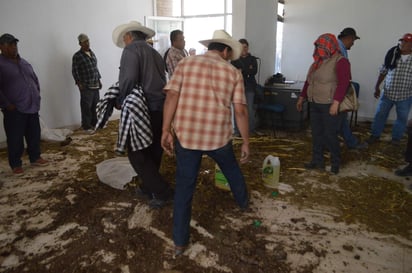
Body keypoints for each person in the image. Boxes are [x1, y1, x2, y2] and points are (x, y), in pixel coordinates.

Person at [161, 30, 250, 256]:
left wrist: (165, 130)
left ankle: (180, 243)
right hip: (217, 137)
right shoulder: (233, 72)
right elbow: (239, 110)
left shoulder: (186, 63)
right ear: (226, 50)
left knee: (184, 187)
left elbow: (171, 96)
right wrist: (247, 141)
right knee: (231, 170)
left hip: (187, 136)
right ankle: (243, 203)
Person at [112, 21, 173, 208]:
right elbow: (163, 78)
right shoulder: (154, 52)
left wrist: (121, 98)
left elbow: (129, 78)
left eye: (124, 38)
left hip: (142, 108)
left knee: (136, 153)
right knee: (153, 148)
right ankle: (148, 186)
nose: (124, 41)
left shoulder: (131, 51)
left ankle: (163, 192)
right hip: (159, 107)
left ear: (129, 36)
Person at [296, 33, 351, 175]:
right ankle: (317, 161)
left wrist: (336, 103)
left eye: (322, 46)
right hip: (314, 103)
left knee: (330, 135)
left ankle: (335, 163)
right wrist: (302, 98)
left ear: (331, 46)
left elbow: (343, 84)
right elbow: (309, 81)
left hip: (329, 104)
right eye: (318, 46)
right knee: (316, 134)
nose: (320, 48)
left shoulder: (340, 61)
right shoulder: (317, 62)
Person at [0, 33, 48, 174]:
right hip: (14, 109)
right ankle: (16, 164)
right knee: (15, 137)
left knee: (34, 133)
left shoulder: (24, 62)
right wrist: (7, 104)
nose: (14, 47)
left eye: (15, 44)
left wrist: (37, 95)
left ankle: (35, 157)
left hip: (32, 105)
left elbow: (35, 80)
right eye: (10, 45)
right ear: (2, 47)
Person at [367, 33, 412, 145]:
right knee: (380, 115)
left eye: (406, 42)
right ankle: (375, 135)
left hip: (405, 96)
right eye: (402, 41)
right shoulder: (393, 54)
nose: (403, 43)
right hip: (387, 93)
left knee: (402, 118)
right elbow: (383, 71)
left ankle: (396, 139)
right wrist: (377, 86)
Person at [337, 28, 367, 150]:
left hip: (337, 90)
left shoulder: (339, 48)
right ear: (348, 38)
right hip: (337, 90)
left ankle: (350, 142)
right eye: (353, 40)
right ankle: (350, 143)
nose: (353, 44)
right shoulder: (339, 50)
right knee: (341, 118)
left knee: (341, 119)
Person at [72, 33, 102, 133]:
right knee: (86, 107)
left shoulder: (92, 53)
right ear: (80, 44)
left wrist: (99, 80)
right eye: (85, 42)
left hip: (95, 84)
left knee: (95, 106)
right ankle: (86, 126)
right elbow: (75, 70)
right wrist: (79, 83)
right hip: (86, 85)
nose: (87, 43)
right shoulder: (77, 56)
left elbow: (95, 68)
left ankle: (94, 124)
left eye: (88, 41)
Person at [231, 38, 258, 135]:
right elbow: (234, 72)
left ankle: (250, 130)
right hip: (237, 88)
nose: (244, 49)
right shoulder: (234, 59)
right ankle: (237, 131)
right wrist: (246, 70)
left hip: (250, 87)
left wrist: (242, 70)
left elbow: (254, 71)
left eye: (245, 47)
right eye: (242, 47)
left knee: (249, 109)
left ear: (248, 47)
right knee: (237, 109)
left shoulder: (253, 59)